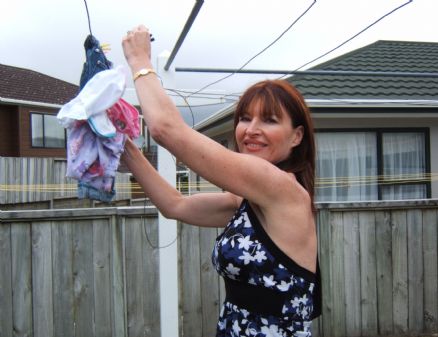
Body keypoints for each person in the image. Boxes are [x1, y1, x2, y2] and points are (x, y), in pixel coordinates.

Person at [121, 25, 321, 337]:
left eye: (268, 120)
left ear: (297, 136)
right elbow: (174, 205)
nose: (251, 129)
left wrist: (138, 60)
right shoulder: (246, 202)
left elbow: (165, 129)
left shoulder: (279, 186)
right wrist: (126, 148)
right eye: (245, 118)